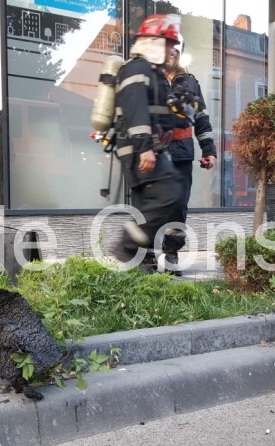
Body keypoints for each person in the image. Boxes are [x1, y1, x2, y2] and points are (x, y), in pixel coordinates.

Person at [109, 14, 185, 273]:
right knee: (171, 189)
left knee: (145, 206)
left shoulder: (151, 73)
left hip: (144, 148)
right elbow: (136, 109)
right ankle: (128, 244)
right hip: (139, 149)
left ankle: (143, 265)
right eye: (169, 43)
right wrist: (145, 148)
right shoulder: (137, 69)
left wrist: (168, 128)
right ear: (154, 41)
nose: (172, 49)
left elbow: (156, 112)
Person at [162, 40, 217, 275]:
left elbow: (201, 117)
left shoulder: (190, 82)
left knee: (177, 205)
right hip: (153, 152)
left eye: (176, 50)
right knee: (151, 206)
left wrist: (209, 151)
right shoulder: (149, 79)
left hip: (181, 154)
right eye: (167, 49)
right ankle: (147, 256)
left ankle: (171, 253)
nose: (171, 53)